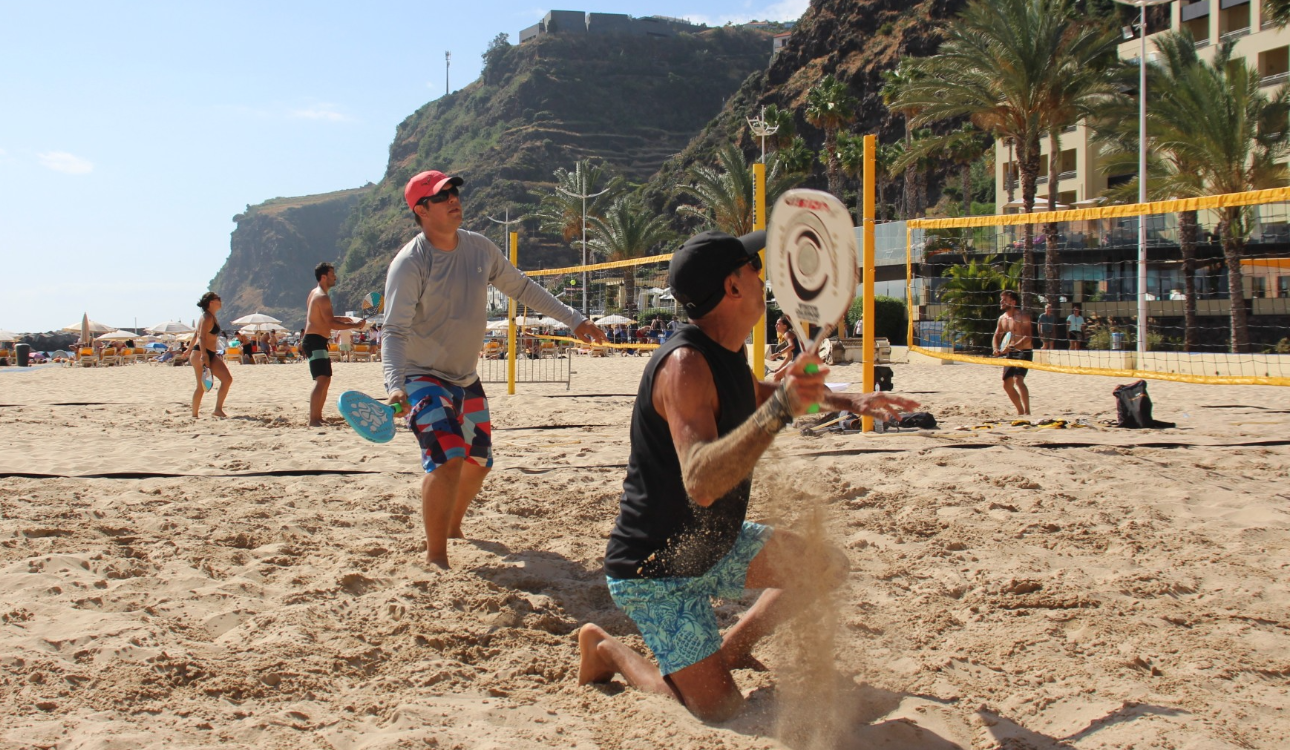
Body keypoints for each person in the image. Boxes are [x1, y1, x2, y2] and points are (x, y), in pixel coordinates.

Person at [575, 230, 920, 722]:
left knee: (825, 567)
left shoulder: (724, 350)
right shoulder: (684, 365)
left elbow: (754, 394)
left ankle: (729, 651)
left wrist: (850, 400)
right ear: (733, 286)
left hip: (715, 542)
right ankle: (607, 650)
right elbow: (701, 482)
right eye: (754, 267)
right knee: (719, 711)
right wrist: (781, 410)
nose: (763, 276)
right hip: (656, 569)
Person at [382, 169, 607, 569]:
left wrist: (574, 320)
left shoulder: (480, 248)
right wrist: (395, 385)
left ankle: (452, 525)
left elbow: (523, 288)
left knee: (479, 463)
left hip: (465, 379)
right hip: (422, 376)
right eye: (441, 196)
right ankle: (436, 557)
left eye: (454, 191)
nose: (453, 199)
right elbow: (394, 331)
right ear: (421, 210)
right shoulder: (410, 263)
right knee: (448, 457)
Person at [302, 262, 365, 427]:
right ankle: (313, 419)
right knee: (321, 379)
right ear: (324, 277)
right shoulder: (322, 296)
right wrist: (355, 325)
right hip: (314, 340)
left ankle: (318, 416)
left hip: (317, 340)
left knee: (326, 379)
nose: (335, 277)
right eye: (332, 274)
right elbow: (330, 323)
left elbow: (321, 317)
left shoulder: (314, 293)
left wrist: (341, 319)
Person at [184, 291, 232, 418]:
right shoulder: (207, 317)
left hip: (208, 353)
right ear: (211, 302)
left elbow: (196, 334)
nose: (220, 301)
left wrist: (188, 349)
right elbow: (201, 336)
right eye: (218, 299)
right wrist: (204, 355)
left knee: (227, 379)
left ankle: (218, 410)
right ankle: (194, 415)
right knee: (201, 386)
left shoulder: (210, 316)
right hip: (201, 353)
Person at [993, 290, 1034, 415]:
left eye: (1004, 300)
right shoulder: (1002, 318)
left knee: (1018, 380)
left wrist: (1012, 347)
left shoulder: (1022, 316)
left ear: (1013, 302)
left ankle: (1027, 411)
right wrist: (996, 348)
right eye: (1001, 299)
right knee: (1006, 384)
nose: (1001, 302)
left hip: (1024, 351)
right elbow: (997, 335)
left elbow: (1028, 337)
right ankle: (1020, 411)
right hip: (1010, 352)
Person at [765, 314, 803, 381]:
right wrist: (779, 368)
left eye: (778, 324)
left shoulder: (787, 334)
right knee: (786, 377)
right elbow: (788, 357)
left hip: (798, 361)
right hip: (800, 361)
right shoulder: (789, 334)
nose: (775, 325)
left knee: (777, 376)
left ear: (785, 326)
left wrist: (778, 354)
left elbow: (792, 346)